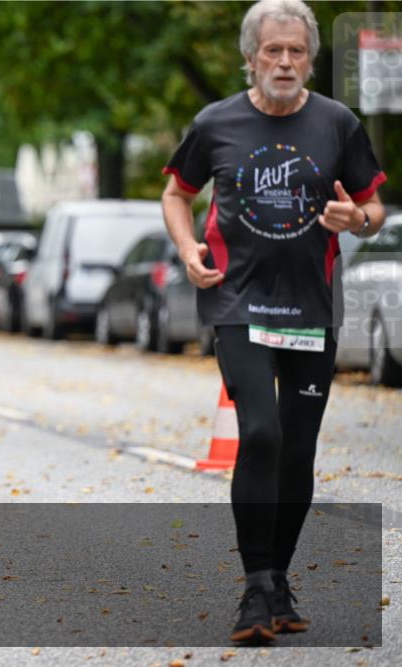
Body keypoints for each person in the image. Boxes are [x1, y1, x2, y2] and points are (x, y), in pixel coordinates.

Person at [161, 0, 386, 645]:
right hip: (238, 303)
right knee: (258, 431)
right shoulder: (216, 122)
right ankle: (257, 585)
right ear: (250, 57)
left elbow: (371, 208)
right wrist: (185, 247)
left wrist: (357, 221)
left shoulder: (337, 124)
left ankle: (279, 577)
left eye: (296, 51)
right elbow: (177, 192)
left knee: (298, 447)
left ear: (309, 58)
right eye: (272, 51)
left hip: (313, 305)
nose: (284, 62)